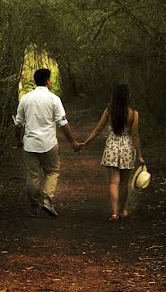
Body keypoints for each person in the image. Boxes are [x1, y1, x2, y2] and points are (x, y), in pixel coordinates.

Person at [14, 68, 82, 218]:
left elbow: (18, 124)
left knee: (33, 176)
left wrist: (18, 141)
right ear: (48, 81)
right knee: (52, 172)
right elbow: (63, 123)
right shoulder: (54, 99)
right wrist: (73, 142)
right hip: (49, 144)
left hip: (30, 144)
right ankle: (46, 199)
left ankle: (33, 207)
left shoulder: (25, 99)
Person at [82, 83, 145, 220]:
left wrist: (86, 142)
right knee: (124, 183)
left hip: (112, 147)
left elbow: (98, 129)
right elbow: (135, 136)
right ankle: (123, 210)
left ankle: (114, 212)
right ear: (127, 97)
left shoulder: (109, 111)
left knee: (113, 182)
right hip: (127, 148)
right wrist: (139, 154)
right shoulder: (134, 114)